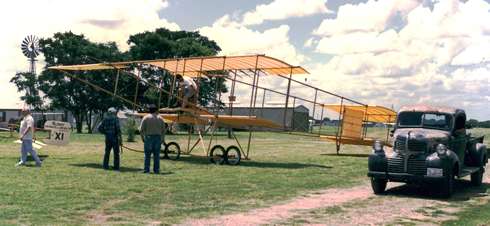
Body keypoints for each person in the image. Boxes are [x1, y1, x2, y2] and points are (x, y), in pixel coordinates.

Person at [139, 104, 165, 174]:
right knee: (156, 155)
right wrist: (162, 139)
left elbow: (141, 130)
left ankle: (146, 170)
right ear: (156, 110)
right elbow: (163, 130)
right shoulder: (160, 118)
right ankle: (156, 170)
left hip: (148, 137)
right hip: (158, 138)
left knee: (147, 155)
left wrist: (142, 138)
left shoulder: (146, 118)